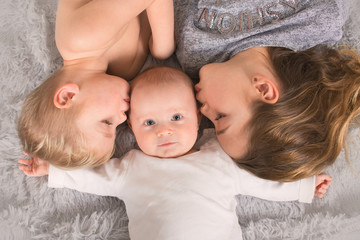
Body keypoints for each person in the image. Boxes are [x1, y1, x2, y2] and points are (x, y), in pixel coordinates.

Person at [19, 66, 332, 240]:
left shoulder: (219, 156)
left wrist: (302, 185)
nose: (163, 131)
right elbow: (93, 178)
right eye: (149, 122)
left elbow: (260, 180)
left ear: (199, 119)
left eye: (177, 118)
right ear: (132, 128)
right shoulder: (131, 167)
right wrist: (55, 169)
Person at [174, 0, 360, 181]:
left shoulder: (195, 51)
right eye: (220, 117)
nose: (203, 110)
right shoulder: (318, 16)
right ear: (263, 89)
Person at [17, 0, 175, 170]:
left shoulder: (81, 38)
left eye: (107, 122)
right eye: (116, 126)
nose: (123, 118)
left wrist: (163, 47)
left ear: (68, 96)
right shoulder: (124, 71)